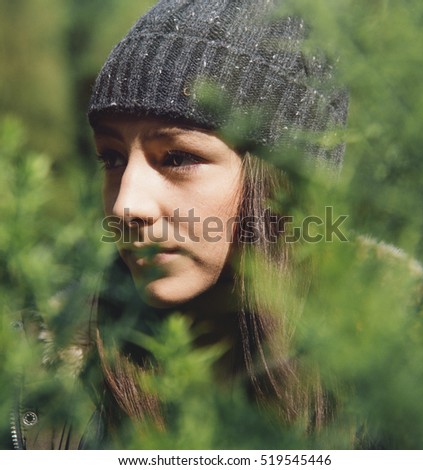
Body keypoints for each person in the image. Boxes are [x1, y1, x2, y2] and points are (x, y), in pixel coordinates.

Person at [11, 0, 349, 449]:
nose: (125, 205)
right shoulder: (34, 379)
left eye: (178, 158)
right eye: (111, 157)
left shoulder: (413, 386)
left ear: (286, 189)